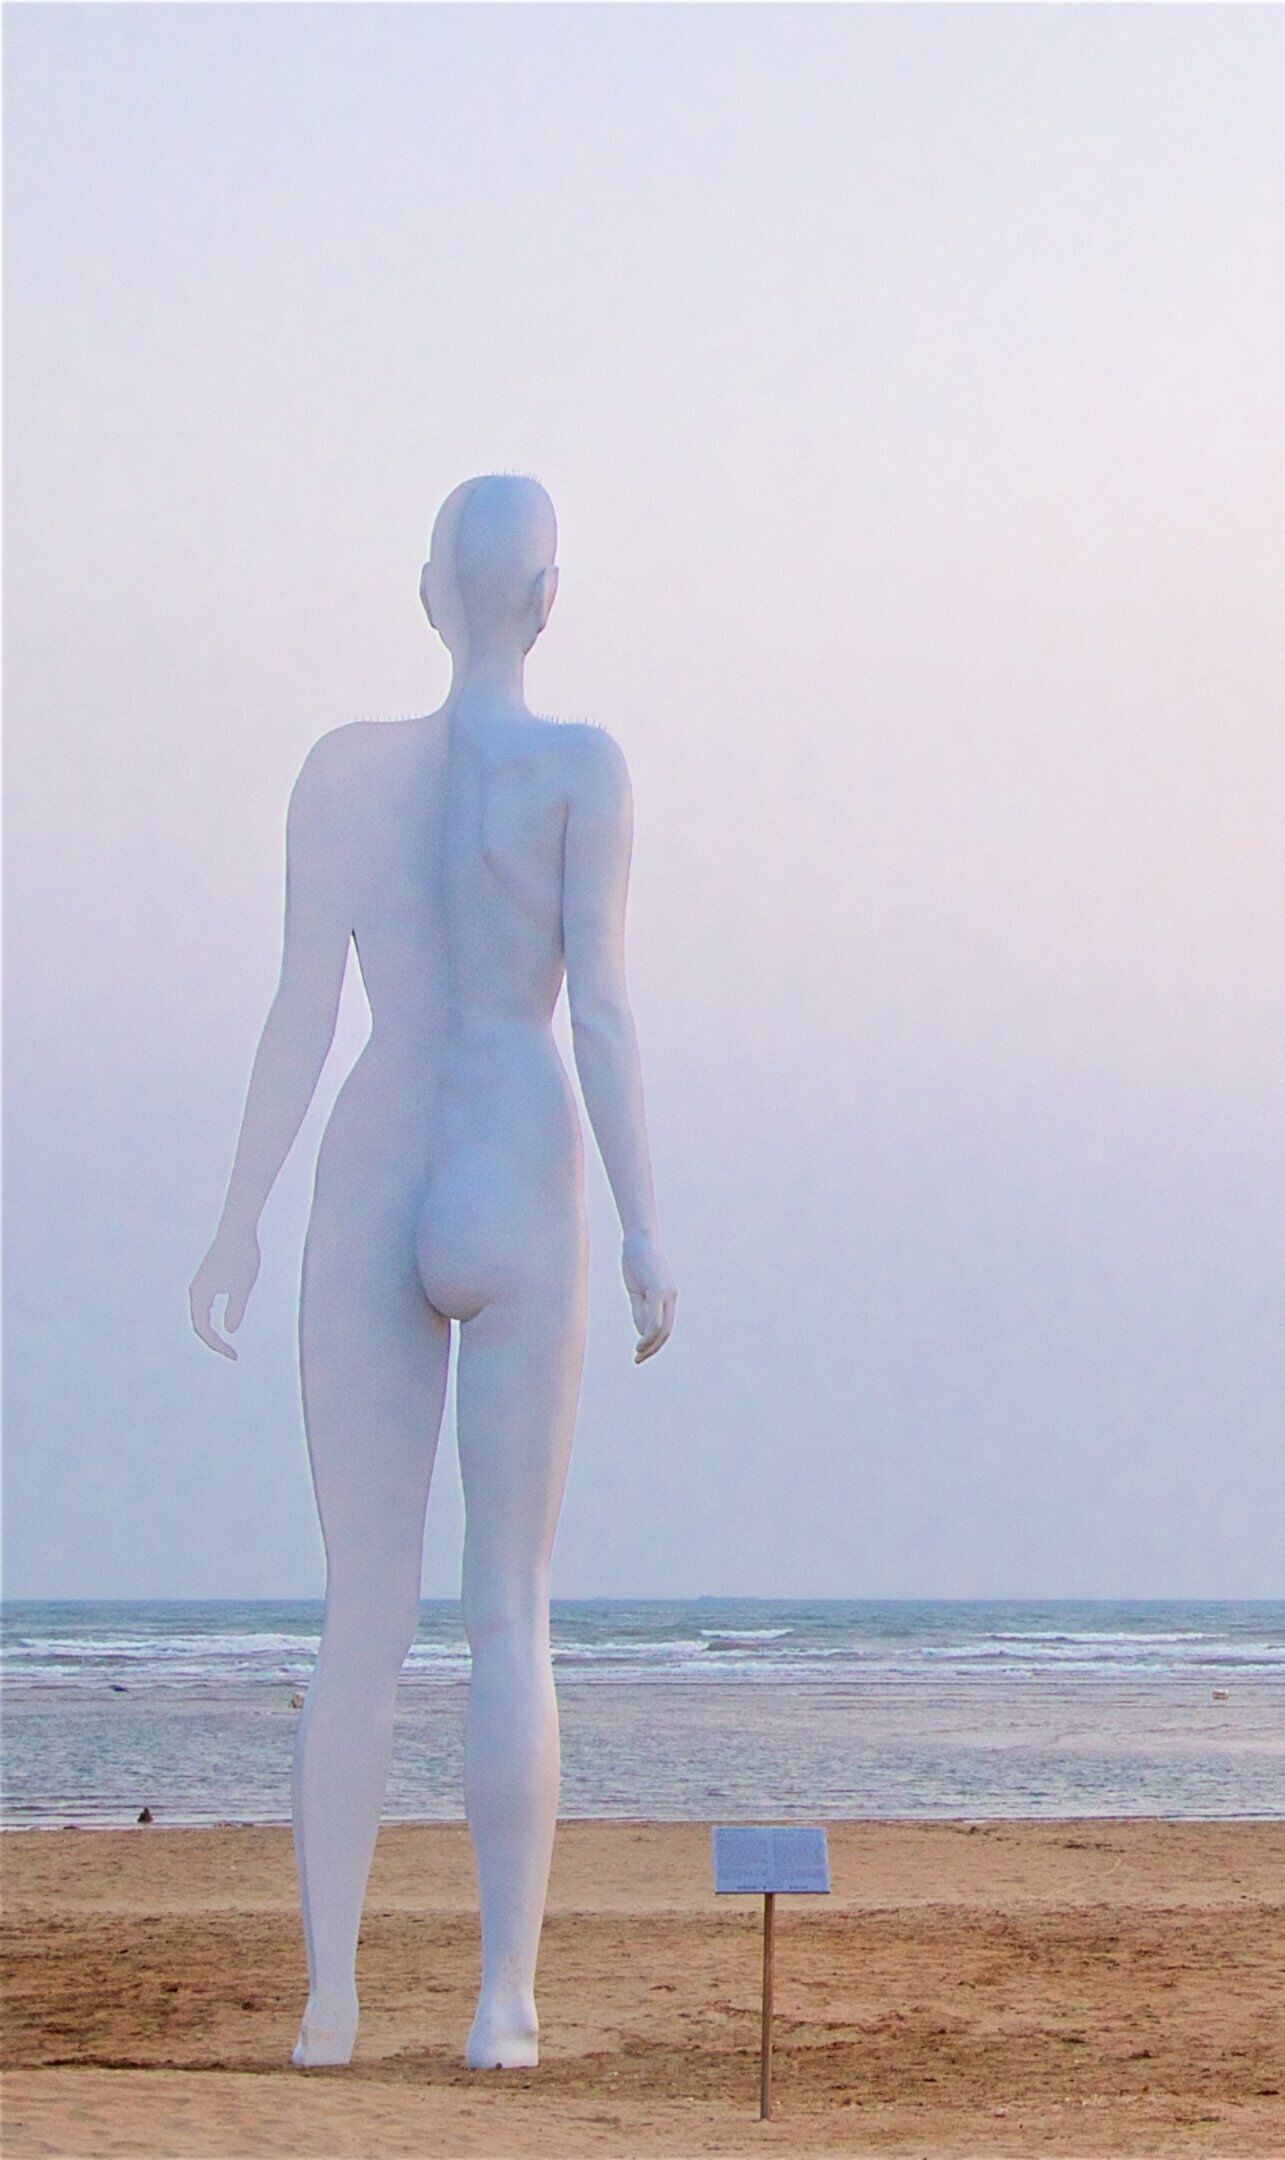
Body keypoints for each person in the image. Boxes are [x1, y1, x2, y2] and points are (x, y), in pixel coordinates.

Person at [188, 475, 676, 2070]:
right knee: (508, 1611)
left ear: (424, 594)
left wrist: (241, 1214)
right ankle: (502, 2002)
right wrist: (652, 1224)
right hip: (520, 1150)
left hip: (377, 1148)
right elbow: (598, 1012)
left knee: (364, 1614)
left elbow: (296, 1021)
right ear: (547, 599)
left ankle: (333, 2001)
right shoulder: (580, 772)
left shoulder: (341, 773)